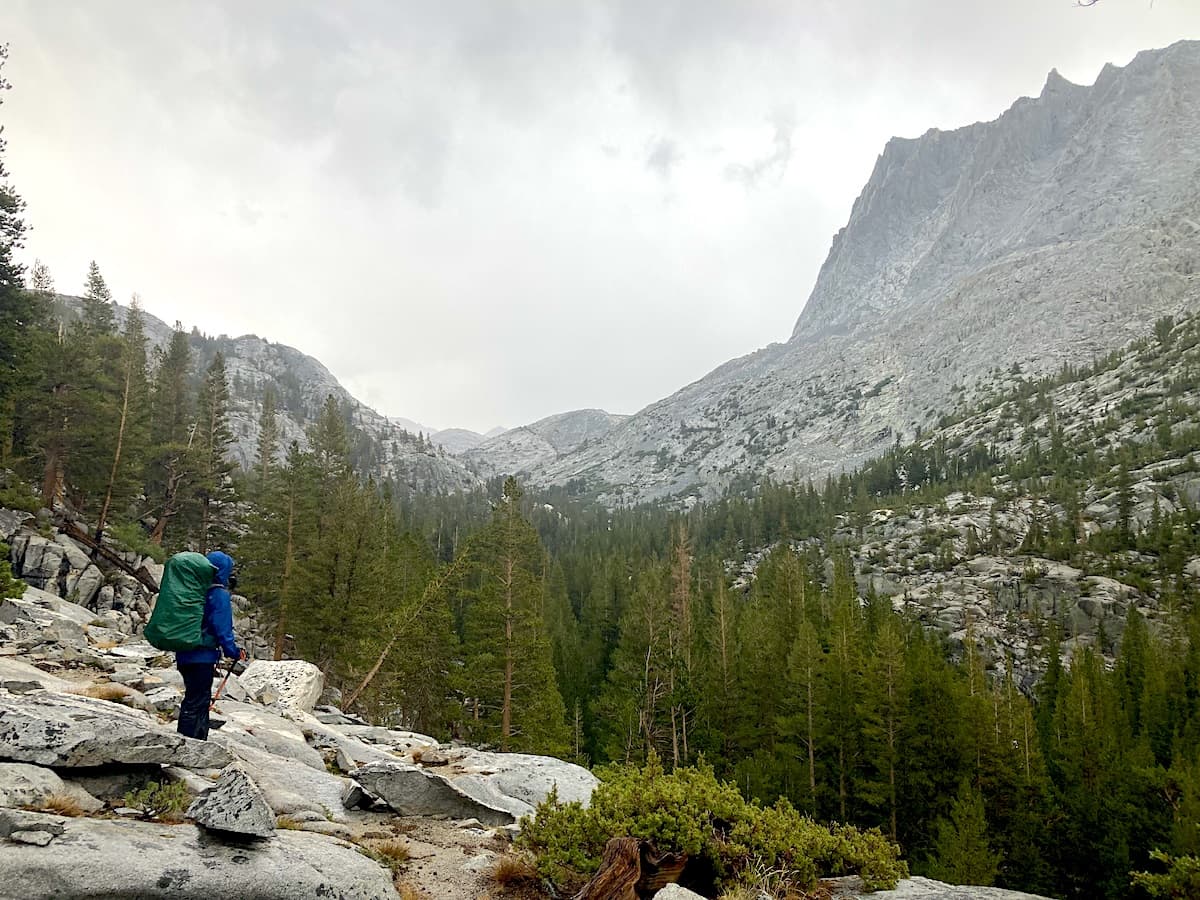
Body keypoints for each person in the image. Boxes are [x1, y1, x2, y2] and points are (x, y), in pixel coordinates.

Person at [176, 550, 244, 740]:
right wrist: (233, 651)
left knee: (191, 697)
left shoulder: (194, 590)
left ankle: (186, 739)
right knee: (199, 700)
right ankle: (192, 744)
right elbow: (222, 628)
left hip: (183, 653)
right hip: (202, 655)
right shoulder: (218, 594)